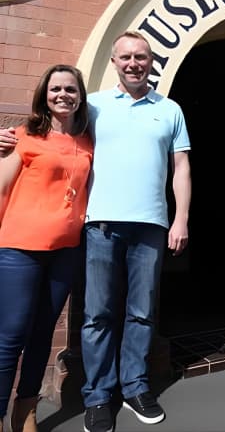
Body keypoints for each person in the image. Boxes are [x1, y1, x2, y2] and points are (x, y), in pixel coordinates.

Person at [0, 31, 191, 432]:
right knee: (97, 315)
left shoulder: (170, 109)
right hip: (98, 225)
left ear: (151, 61)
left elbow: (182, 170)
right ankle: (99, 396)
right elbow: (48, 133)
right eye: (126, 57)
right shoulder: (95, 107)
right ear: (115, 62)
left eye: (141, 56)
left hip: (151, 225)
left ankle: (136, 387)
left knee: (141, 314)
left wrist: (181, 218)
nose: (134, 63)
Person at [0, 65, 93, 432]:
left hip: (65, 251)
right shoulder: (23, 136)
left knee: (42, 335)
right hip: (20, 249)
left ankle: (26, 412)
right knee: (11, 336)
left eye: (70, 89)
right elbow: (2, 188)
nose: (63, 95)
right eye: (56, 89)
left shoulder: (86, 141)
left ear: (80, 96)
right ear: (45, 94)